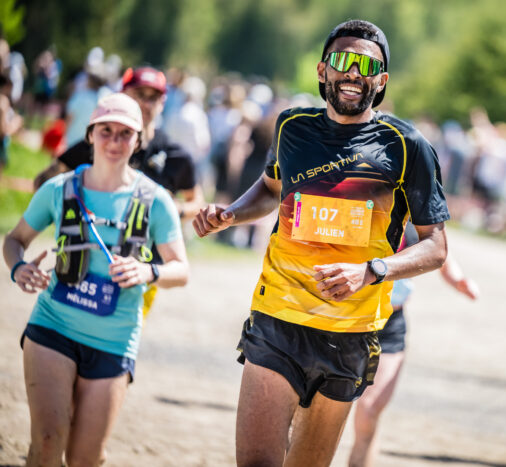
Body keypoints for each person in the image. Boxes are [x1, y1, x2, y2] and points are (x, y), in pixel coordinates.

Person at [193, 19, 450, 466]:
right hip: (277, 317)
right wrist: (230, 214)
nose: (353, 72)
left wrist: (372, 270)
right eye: (342, 61)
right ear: (321, 70)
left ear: (381, 80)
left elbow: (436, 247)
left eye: (365, 65)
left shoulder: (407, 146)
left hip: (349, 334)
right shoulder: (292, 128)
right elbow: (272, 191)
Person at [3, 93, 189, 466]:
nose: (115, 141)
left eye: (125, 133)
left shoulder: (156, 200)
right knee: (46, 441)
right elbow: (14, 240)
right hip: (52, 327)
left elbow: (180, 270)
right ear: (90, 134)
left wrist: (148, 271)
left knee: (85, 457)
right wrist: (19, 268)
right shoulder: (59, 189)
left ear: (138, 140)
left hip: (114, 341)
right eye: (106, 131)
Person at [349, 222, 479, 467]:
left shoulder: (417, 204)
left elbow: (441, 251)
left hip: (389, 326)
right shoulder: (362, 193)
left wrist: (458, 280)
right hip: (344, 321)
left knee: (368, 411)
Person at [34, 66, 204, 222]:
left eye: (153, 97)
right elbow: (43, 183)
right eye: (139, 95)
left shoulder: (174, 154)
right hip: (97, 248)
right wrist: (76, 207)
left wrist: (175, 209)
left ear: (162, 102)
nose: (145, 103)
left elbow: (197, 202)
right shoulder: (100, 144)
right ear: (122, 94)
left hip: (153, 253)